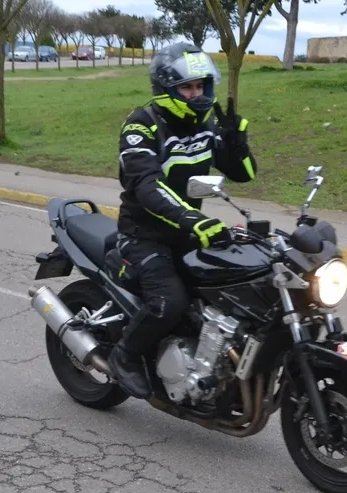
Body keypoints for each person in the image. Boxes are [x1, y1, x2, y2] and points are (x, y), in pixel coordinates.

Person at [108, 42, 258, 400]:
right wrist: (193, 219)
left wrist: (236, 143)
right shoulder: (142, 125)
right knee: (170, 302)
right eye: (187, 87)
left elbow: (243, 174)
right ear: (166, 88)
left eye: (201, 86)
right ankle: (124, 355)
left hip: (188, 232)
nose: (197, 94)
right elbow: (147, 186)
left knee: (234, 292)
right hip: (143, 235)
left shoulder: (204, 125)